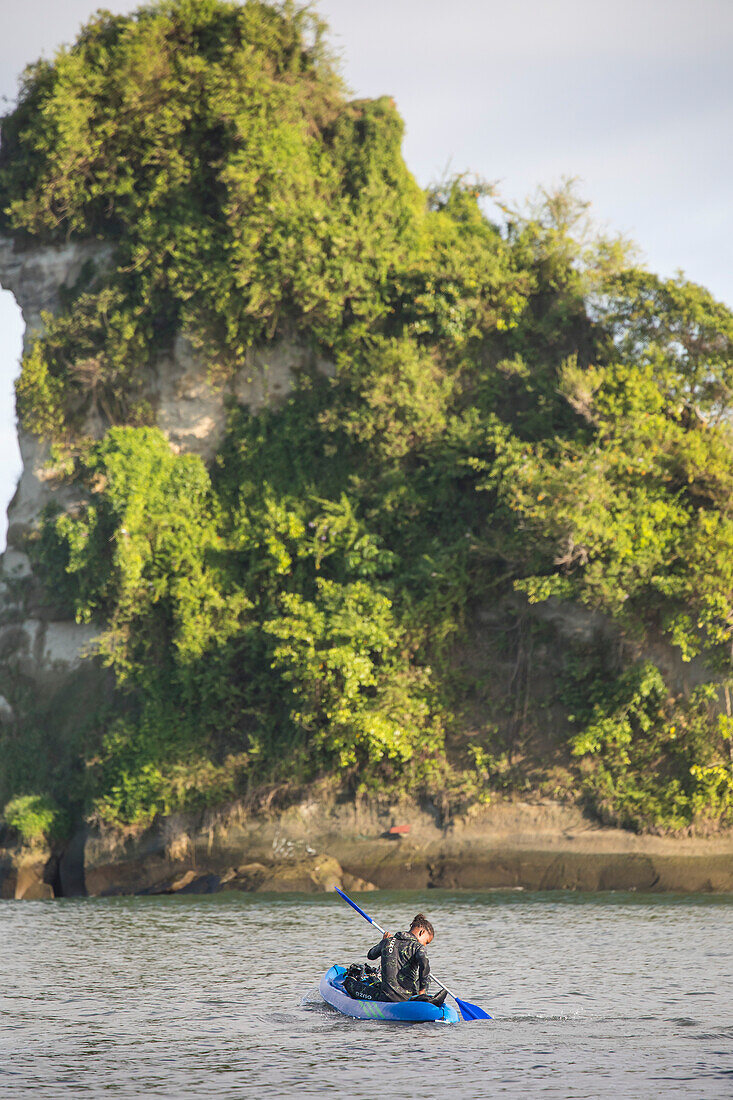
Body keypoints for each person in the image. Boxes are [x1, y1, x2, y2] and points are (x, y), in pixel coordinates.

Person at [366, 913, 446, 1005]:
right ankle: (421, 999)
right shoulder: (418, 947)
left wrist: (383, 942)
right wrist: (422, 991)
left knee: (350, 983)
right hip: (406, 997)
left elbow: (371, 955)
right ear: (421, 933)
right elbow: (425, 965)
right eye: (426, 942)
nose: (424, 945)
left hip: (385, 996)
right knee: (427, 979)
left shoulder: (387, 941)